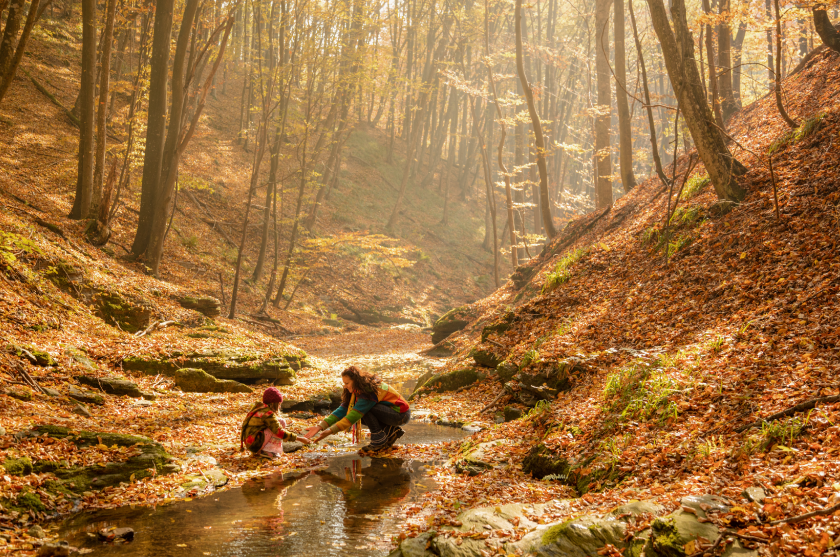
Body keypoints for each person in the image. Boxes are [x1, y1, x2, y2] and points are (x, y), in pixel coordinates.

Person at [304, 366, 410, 455]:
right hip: (390, 413)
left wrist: (330, 431)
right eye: (344, 383)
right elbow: (342, 410)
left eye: (347, 383)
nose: (345, 386)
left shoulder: (368, 390)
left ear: (356, 380)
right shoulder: (356, 390)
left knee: (363, 411)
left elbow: (354, 415)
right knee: (361, 411)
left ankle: (379, 441)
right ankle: (390, 432)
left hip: (400, 415)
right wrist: (320, 427)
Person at [241, 387, 310, 458]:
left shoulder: (261, 408)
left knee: (278, 422)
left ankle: (263, 450)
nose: (279, 407)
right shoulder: (267, 413)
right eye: (279, 404)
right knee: (281, 422)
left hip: (251, 442)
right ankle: (267, 451)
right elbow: (279, 432)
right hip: (254, 443)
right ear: (273, 403)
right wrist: (300, 439)